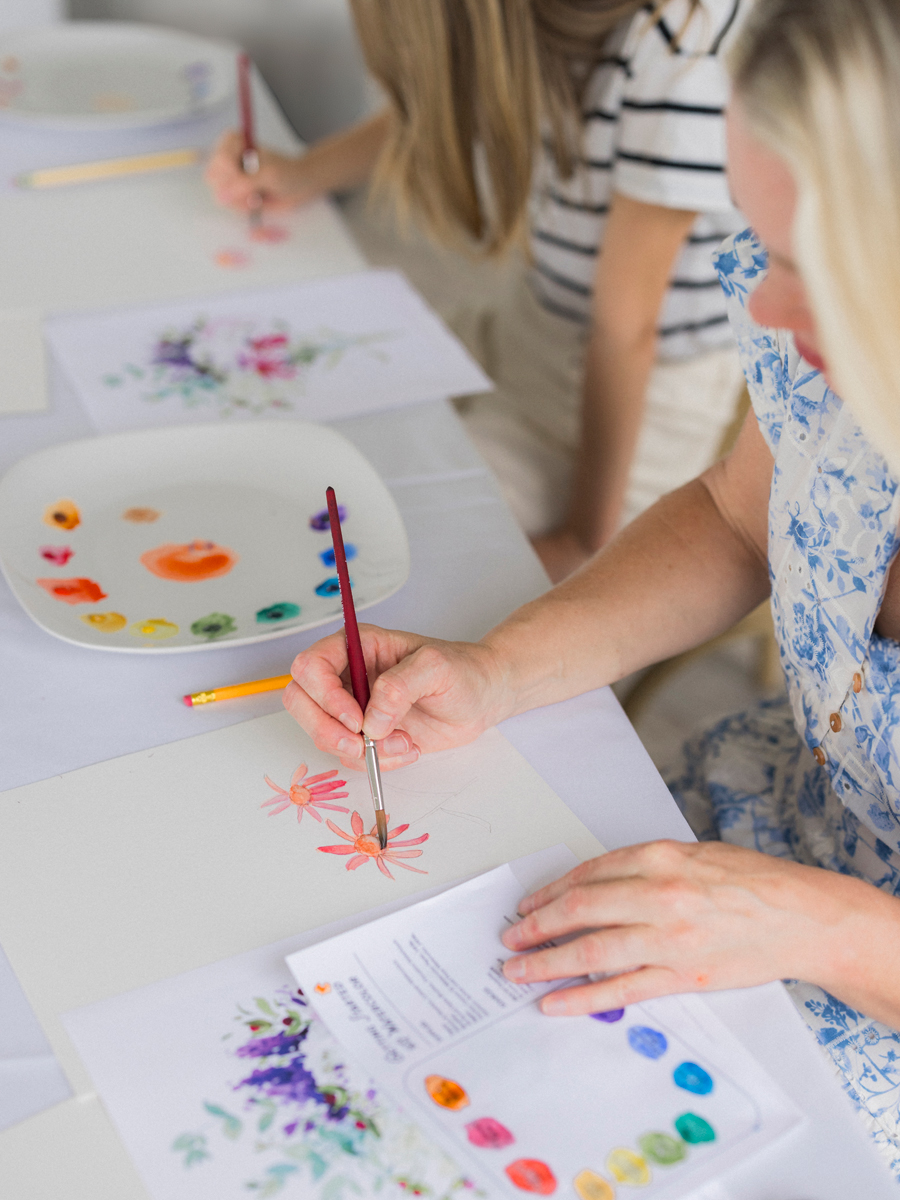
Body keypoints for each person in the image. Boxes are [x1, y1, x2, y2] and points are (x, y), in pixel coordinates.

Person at [281, 0, 900, 1173]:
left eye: (811, 267)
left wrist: (811, 923)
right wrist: (499, 666)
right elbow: (733, 517)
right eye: (759, 244)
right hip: (752, 835)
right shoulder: (832, 352)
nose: (759, 311)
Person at [206, 0, 748, 583]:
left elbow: (625, 329)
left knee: (398, 552)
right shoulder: (525, 21)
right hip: (530, 327)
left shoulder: (683, 43)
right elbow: (453, 94)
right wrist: (306, 171)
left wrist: (583, 538)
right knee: (307, 425)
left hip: (634, 405)